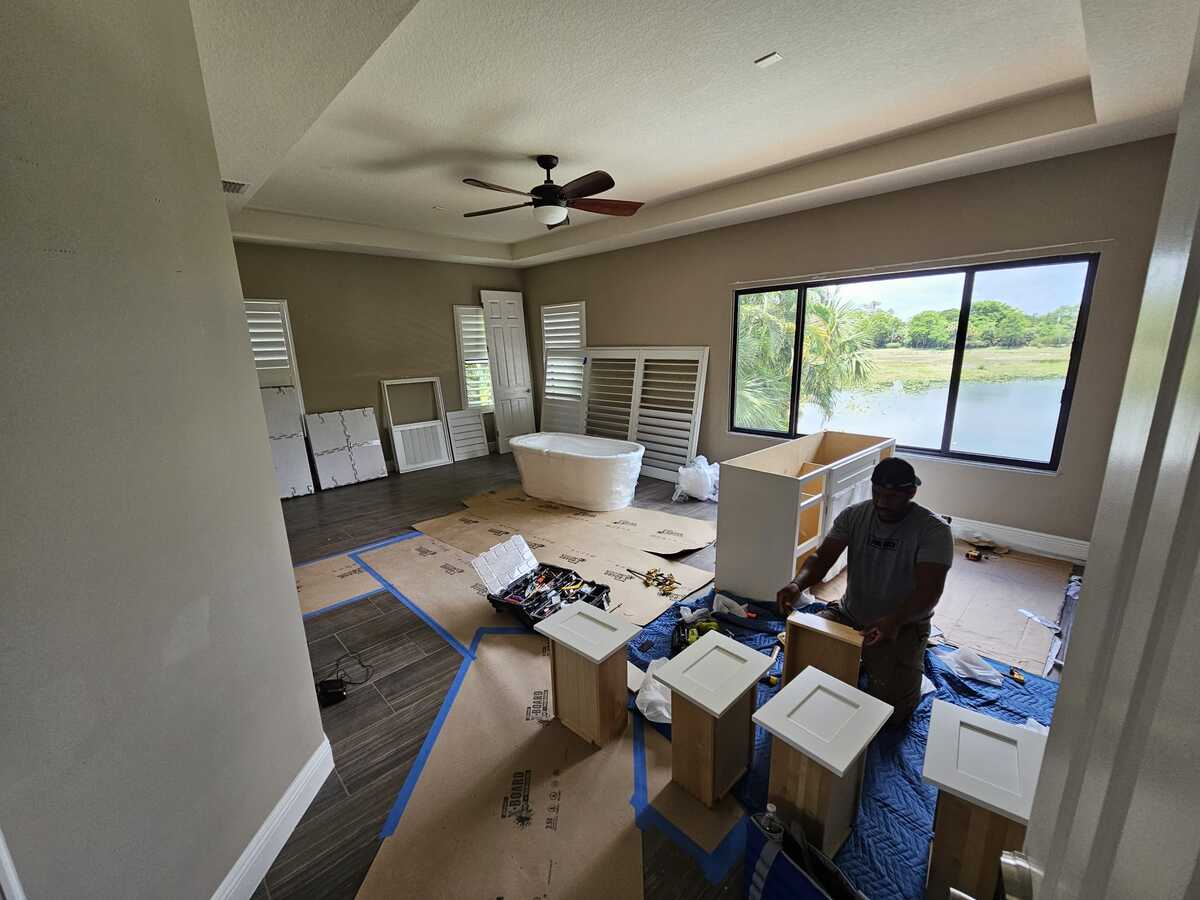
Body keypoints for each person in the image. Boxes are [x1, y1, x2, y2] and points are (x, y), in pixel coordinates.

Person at [776, 456, 952, 725]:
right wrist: (796, 584)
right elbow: (821, 559)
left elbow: (929, 593)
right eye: (877, 493)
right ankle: (857, 661)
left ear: (911, 493)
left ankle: (886, 662)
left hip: (902, 624)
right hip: (850, 615)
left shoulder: (933, 530)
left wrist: (894, 621)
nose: (882, 503)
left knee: (893, 714)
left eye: (891, 497)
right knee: (800, 672)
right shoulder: (854, 516)